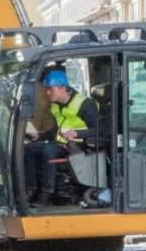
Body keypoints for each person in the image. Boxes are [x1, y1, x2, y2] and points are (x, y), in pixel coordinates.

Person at [24, 69, 99, 207]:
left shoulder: (86, 104)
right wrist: (39, 136)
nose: (47, 93)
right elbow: (55, 130)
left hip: (79, 147)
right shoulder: (55, 106)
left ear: (61, 87)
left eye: (50, 89)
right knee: (28, 149)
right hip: (61, 144)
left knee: (49, 151)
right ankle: (30, 189)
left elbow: (99, 131)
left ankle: (47, 193)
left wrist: (77, 134)